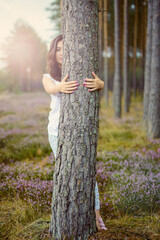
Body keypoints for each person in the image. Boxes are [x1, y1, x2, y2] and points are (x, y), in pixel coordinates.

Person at [42, 34, 107, 231]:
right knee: (65, 173)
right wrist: (59, 87)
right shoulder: (48, 77)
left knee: (87, 171)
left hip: (80, 131)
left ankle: (96, 215)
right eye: (58, 49)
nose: (62, 53)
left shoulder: (81, 68)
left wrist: (101, 84)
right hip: (56, 132)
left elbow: (95, 84)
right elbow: (51, 88)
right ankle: (65, 213)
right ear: (53, 53)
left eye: (65, 49)